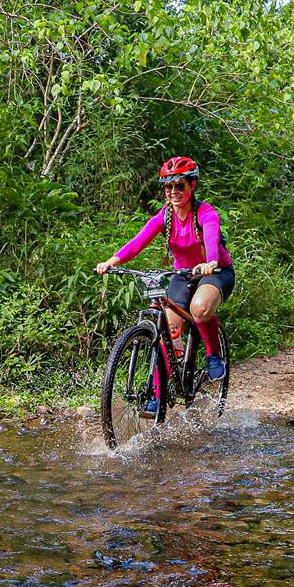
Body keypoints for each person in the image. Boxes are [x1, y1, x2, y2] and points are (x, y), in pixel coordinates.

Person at [95, 156, 236, 409]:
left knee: (200, 308)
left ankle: (214, 355)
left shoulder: (205, 212)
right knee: (167, 331)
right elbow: (137, 242)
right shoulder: (165, 216)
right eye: (168, 187)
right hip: (182, 274)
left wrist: (211, 261)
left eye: (180, 186)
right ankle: (158, 396)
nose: (173, 192)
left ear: (192, 186)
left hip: (215, 271)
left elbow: (212, 236)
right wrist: (111, 262)